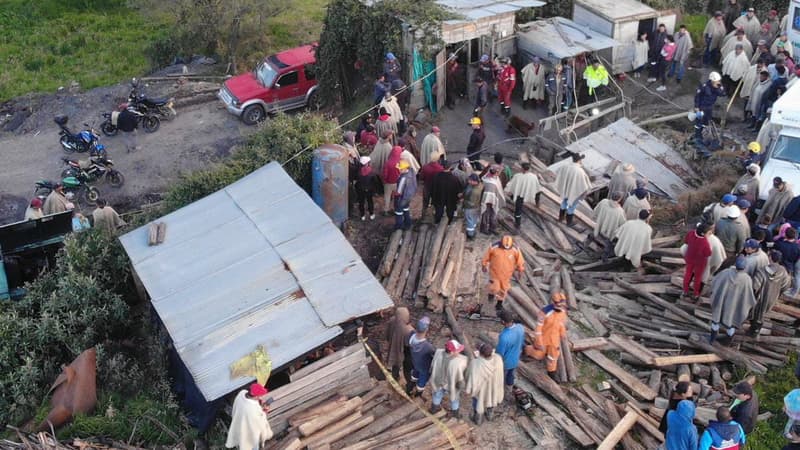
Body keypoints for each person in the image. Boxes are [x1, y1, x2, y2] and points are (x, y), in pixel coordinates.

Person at [709, 256, 756, 344]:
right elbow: (749, 296)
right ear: (745, 267)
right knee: (732, 323)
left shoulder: (725, 273)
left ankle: (712, 339)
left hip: (721, 303)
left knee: (716, 321)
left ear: (735, 264)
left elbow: (714, 282)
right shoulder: (747, 279)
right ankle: (728, 341)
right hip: (734, 307)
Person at [526, 291, 568, 379]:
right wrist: (539, 342)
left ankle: (551, 372)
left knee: (553, 356)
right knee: (538, 355)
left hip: (554, 339)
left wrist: (562, 334)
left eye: (561, 305)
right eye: (558, 305)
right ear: (553, 303)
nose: (560, 307)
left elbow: (561, 324)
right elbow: (538, 329)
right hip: (544, 338)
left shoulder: (563, 311)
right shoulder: (545, 312)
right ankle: (526, 349)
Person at [751, 250, 792, 335]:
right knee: (764, 312)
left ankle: (753, 330)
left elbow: (755, 286)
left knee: (756, 313)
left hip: (760, 298)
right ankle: (757, 329)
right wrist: (779, 291)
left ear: (770, 258)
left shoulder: (761, 271)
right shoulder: (783, 271)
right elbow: (787, 285)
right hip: (773, 297)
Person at [481, 235, 524, 313]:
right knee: (494, 288)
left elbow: (520, 261)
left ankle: (499, 304)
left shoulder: (515, 249)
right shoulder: (494, 247)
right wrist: (484, 265)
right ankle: (491, 295)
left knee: (503, 290)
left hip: (506, 275)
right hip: (494, 274)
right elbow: (486, 257)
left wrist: (520, 270)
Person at [225, 382, 273, 449]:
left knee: (242, 441)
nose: (260, 397)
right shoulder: (252, 410)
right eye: (259, 396)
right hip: (250, 433)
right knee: (251, 445)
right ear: (255, 396)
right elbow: (261, 424)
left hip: (240, 423)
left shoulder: (242, 393)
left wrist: (259, 406)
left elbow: (252, 406)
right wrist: (264, 411)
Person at [465, 343, 504, 425]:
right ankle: (490, 415)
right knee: (491, 399)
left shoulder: (475, 363)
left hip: (480, 391)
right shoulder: (498, 359)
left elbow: (469, 376)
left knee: (477, 402)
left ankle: (478, 419)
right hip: (493, 388)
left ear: (480, 353)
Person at [429, 339, 468, 418]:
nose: (459, 352)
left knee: (437, 394)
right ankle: (455, 414)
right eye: (457, 350)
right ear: (451, 352)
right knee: (455, 398)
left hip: (438, 381)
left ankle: (434, 409)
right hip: (451, 384)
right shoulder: (459, 362)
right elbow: (460, 379)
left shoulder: (438, 353)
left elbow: (433, 366)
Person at [555, 153, 591, 226]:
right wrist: (583, 194)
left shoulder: (566, 166)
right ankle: (569, 222)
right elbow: (585, 185)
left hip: (566, 190)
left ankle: (560, 218)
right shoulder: (580, 171)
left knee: (564, 202)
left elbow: (558, 171)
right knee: (572, 206)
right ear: (579, 160)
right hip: (574, 191)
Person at [505, 162, 541, 229]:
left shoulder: (517, 176)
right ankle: (537, 203)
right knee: (538, 192)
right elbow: (537, 189)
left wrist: (508, 191)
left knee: (518, 209)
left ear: (522, 168)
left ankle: (517, 224)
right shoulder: (533, 177)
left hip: (519, 195)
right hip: (528, 193)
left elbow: (511, 185)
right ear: (529, 168)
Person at [694, 72, 726, 145]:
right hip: (701, 108)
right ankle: (697, 138)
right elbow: (697, 97)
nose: (718, 82)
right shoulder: (704, 86)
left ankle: (704, 137)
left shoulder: (717, 87)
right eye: (717, 81)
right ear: (712, 81)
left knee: (707, 123)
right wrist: (696, 107)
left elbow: (722, 94)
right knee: (699, 123)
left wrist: (720, 88)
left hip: (709, 108)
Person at [683, 222, 713, 301]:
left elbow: (686, 241)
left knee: (688, 274)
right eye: (708, 233)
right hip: (700, 262)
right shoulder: (704, 242)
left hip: (689, 258)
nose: (709, 234)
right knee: (697, 277)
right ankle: (696, 293)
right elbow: (708, 253)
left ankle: (685, 290)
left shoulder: (691, 233)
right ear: (703, 234)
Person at [495, 310, 525, 387]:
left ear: (503, 321)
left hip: (506, 362)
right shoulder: (520, 328)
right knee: (510, 374)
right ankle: (510, 387)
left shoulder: (504, 336)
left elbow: (499, 354)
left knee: (500, 376)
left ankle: (499, 388)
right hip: (516, 358)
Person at [593, 192, 627, 260]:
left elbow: (596, 210)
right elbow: (623, 225)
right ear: (619, 199)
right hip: (609, 232)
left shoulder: (603, 201)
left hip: (599, 226)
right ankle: (604, 258)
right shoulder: (620, 211)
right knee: (609, 245)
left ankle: (591, 243)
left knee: (595, 234)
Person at [407, 316, 435, 397]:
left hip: (415, 363)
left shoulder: (411, 336)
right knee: (421, 382)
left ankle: (409, 388)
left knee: (414, 375)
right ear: (426, 330)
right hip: (424, 368)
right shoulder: (428, 346)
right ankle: (418, 394)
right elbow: (434, 355)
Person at [385, 307, 413, 382]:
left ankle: (395, 377)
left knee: (395, 364)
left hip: (392, 348)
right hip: (402, 351)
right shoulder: (408, 329)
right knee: (405, 369)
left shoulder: (392, 320)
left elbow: (387, 334)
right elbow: (409, 344)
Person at [480, 166, 505, 234]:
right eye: (497, 172)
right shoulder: (490, 182)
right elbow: (489, 191)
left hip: (493, 199)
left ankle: (492, 228)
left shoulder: (491, 178)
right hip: (487, 200)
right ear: (495, 173)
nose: (498, 174)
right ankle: (484, 228)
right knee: (486, 213)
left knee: (492, 213)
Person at [393, 160, 417, 231]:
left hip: (402, 198)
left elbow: (399, 192)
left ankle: (399, 228)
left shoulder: (403, 178)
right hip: (409, 196)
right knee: (406, 209)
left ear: (404, 169)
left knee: (399, 213)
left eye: (400, 169)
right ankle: (408, 224)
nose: (399, 170)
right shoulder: (411, 172)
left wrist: (394, 194)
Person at [355, 156, 379, 221]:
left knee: (361, 202)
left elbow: (356, 181)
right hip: (369, 190)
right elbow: (375, 182)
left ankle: (362, 215)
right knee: (370, 201)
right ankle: (371, 214)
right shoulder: (372, 172)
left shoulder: (358, 172)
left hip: (360, 190)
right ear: (367, 163)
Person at [382, 145, 403, 215]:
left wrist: (384, 180)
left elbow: (385, 174)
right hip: (398, 183)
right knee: (397, 197)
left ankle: (386, 210)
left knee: (387, 197)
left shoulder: (387, 162)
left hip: (388, 183)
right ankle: (396, 209)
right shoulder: (401, 162)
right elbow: (405, 172)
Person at [463, 174, 483, 239]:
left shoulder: (474, 192)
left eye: (470, 180)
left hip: (470, 208)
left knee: (469, 220)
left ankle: (470, 234)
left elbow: (471, 203)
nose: (468, 181)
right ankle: (473, 229)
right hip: (477, 206)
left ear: (474, 181)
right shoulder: (480, 185)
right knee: (473, 219)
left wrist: (463, 201)